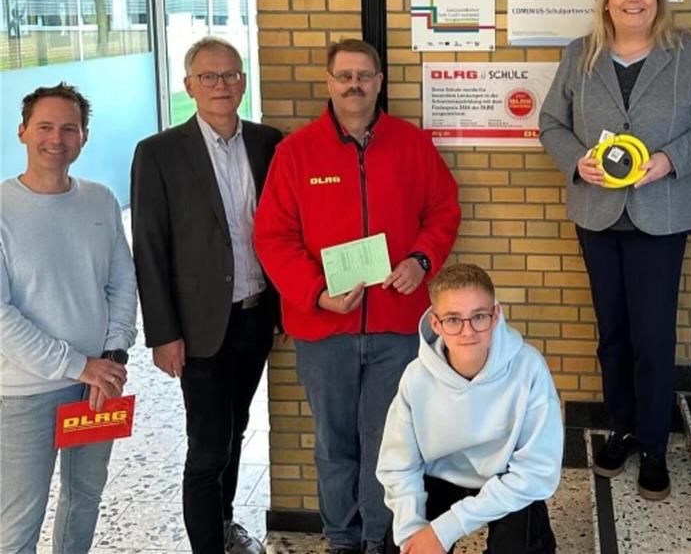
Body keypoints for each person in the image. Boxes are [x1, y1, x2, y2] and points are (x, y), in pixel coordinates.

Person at [254, 38, 461, 554]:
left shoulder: (412, 144)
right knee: (334, 445)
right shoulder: (295, 153)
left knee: (388, 444)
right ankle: (342, 539)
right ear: (329, 83)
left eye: (364, 75)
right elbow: (272, 237)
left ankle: (380, 538)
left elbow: (444, 211)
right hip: (324, 331)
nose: (354, 84)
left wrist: (421, 261)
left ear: (379, 82)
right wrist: (316, 293)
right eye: (344, 75)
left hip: (395, 325)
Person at [539, 0, 691, 500]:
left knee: (652, 335)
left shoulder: (686, 54)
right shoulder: (582, 55)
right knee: (613, 333)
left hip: (661, 213)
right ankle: (620, 427)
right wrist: (576, 160)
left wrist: (671, 159)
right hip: (598, 213)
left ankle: (653, 443)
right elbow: (550, 123)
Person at [131, 37, 283, 554]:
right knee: (206, 448)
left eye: (231, 75)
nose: (222, 86)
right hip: (196, 326)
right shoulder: (159, 153)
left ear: (243, 80)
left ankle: (223, 526)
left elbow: (283, 229)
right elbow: (149, 248)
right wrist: (164, 334)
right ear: (189, 85)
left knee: (235, 432)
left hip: (255, 315)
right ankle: (208, 547)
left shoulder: (268, 143)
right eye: (209, 77)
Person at [1, 83, 137, 553]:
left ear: (84, 137)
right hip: (24, 393)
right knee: (19, 520)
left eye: (69, 128)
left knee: (84, 500)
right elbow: (1, 317)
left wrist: (112, 357)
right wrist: (79, 364)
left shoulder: (99, 200)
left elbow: (123, 283)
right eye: (44, 127)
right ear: (22, 132)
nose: (55, 139)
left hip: (97, 385)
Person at [376, 263, 563, 554]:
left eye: (478, 317)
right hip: (439, 479)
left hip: (506, 481)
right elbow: (398, 465)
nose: (467, 332)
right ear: (436, 324)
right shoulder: (416, 377)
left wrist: (447, 528)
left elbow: (538, 471)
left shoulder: (528, 368)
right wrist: (413, 533)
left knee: (520, 544)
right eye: (453, 320)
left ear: (495, 315)